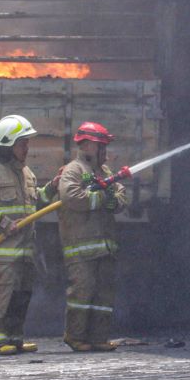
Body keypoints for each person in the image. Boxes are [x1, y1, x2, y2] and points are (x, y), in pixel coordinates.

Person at [0, 114, 55, 356]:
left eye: (27, 143)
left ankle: (15, 339)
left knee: (22, 296)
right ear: (8, 145)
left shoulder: (27, 173)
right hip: (3, 252)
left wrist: (53, 187)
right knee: (2, 296)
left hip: (26, 251)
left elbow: (36, 202)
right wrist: (5, 223)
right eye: (22, 143)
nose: (27, 148)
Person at [56, 121, 130, 352]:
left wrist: (111, 200)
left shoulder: (105, 172)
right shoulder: (73, 170)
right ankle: (75, 336)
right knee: (82, 292)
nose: (105, 152)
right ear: (87, 145)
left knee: (103, 295)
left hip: (105, 247)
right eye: (101, 146)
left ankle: (99, 337)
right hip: (80, 247)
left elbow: (121, 198)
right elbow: (71, 197)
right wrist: (101, 199)